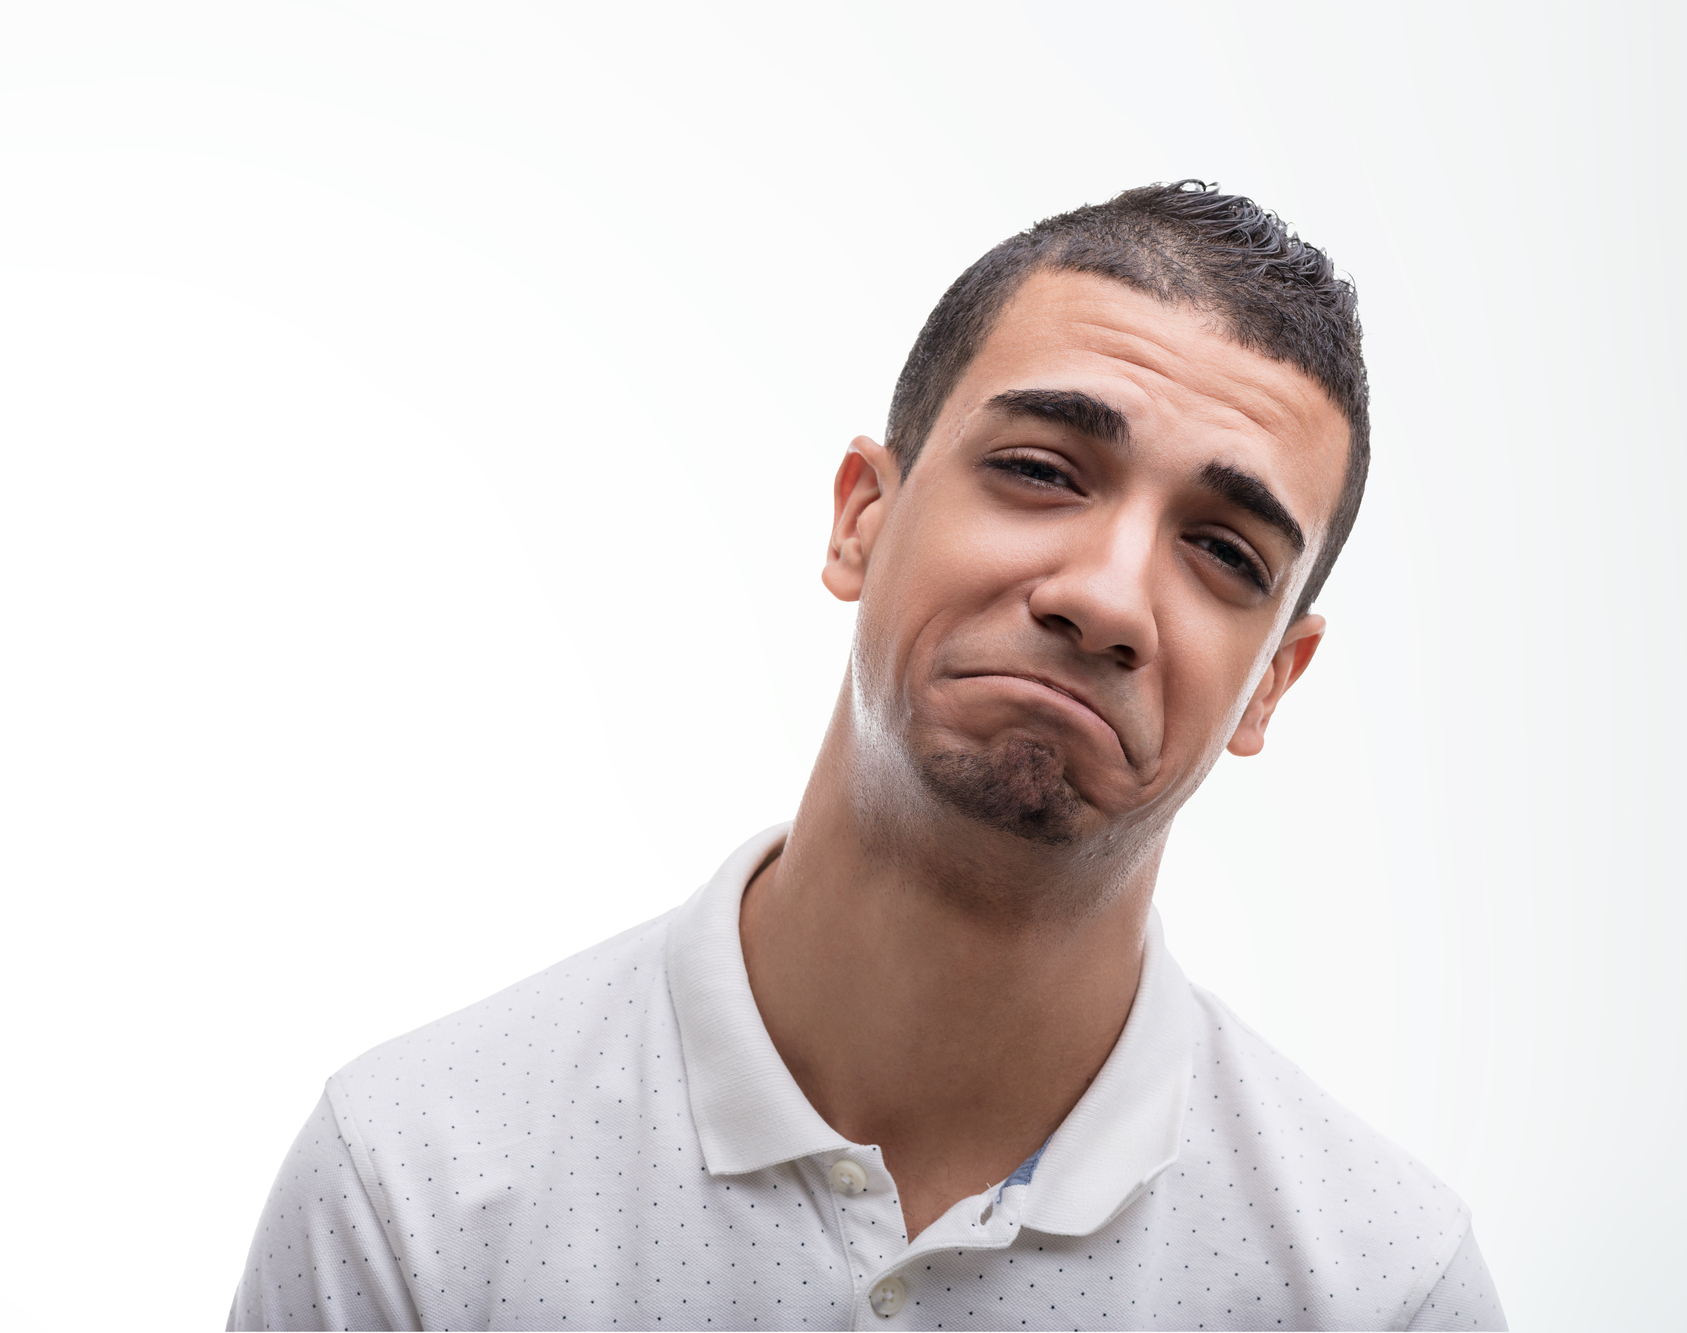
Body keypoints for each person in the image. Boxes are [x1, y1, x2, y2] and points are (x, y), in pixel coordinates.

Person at [228, 181, 1505, 1332]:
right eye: (1040, 469)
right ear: (860, 519)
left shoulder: (1378, 1289)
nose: (1109, 597)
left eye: (1224, 553)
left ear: (1270, 682)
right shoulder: (412, 1181)